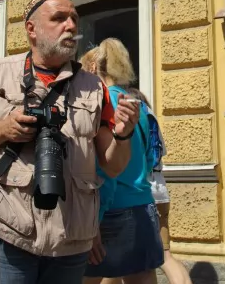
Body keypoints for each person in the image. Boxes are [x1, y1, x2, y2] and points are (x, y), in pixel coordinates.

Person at [0, 0, 140, 284]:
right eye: (59, 18)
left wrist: (123, 135)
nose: (71, 25)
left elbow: (113, 166)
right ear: (32, 29)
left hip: (72, 241)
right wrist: (3, 129)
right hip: (10, 235)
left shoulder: (94, 87)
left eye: (74, 18)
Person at [80, 39, 164, 284]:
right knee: (143, 276)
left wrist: (92, 219)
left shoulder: (100, 104)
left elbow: (100, 168)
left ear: (93, 68)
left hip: (110, 209)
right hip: (144, 205)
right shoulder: (139, 106)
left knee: (87, 277)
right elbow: (151, 157)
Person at [127, 87, 193, 284]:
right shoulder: (152, 118)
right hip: (161, 191)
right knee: (164, 256)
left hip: (140, 192)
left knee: (125, 261)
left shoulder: (134, 120)